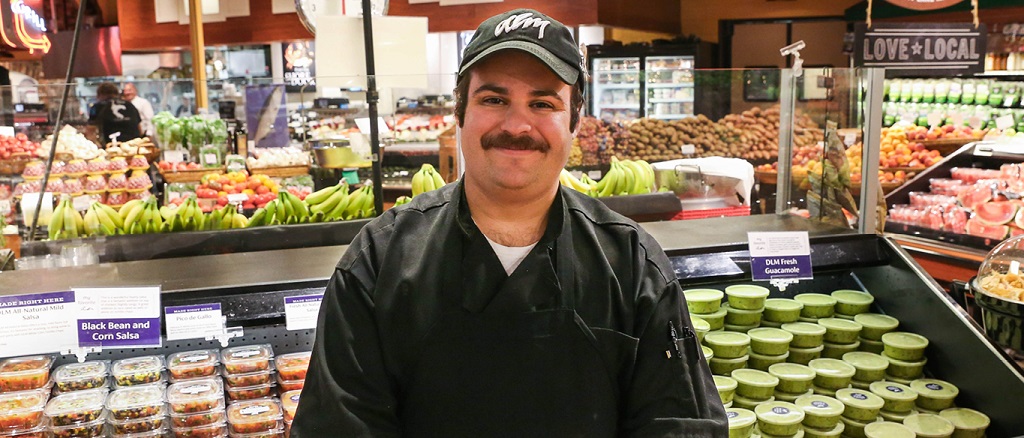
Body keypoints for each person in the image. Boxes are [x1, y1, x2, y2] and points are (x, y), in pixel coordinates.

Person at [291, 8, 727, 437]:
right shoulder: (378, 261)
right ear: (460, 111)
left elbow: (680, 424)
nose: (517, 125)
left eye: (542, 103)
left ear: (573, 121)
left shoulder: (632, 263)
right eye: (494, 100)